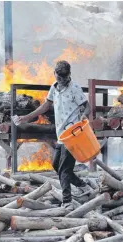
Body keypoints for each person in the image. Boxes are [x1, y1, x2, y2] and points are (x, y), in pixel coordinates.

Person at [15, 61, 90, 210]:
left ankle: (67, 201)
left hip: (73, 134)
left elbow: (87, 106)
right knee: (56, 165)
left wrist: (83, 116)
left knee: (64, 169)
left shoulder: (74, 88)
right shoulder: (54, 88)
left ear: (69, 75)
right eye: (58, 77)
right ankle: (84, 186)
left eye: (63, 77)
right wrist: (26, 117)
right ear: (55, 73)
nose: (61, 80)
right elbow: (45, 106)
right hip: (60, 134)